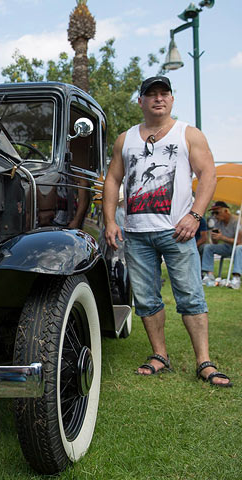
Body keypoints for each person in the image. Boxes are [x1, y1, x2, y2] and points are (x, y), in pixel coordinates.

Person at [103, 75, 231, 387]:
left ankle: (204, 362)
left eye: (164, 94)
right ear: (141, 102)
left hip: (178, 232)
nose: (158, 99)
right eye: (151, 95)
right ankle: (160, 355)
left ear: (171, 99)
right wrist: (109, 221)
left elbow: (208, 175)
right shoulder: (125, 139)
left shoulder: (189, 134)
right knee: (146, 299)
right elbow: (112, 180)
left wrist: (196, 215)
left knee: (191, 296)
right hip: (136, 233)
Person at [201, 201, 241, 288]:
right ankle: (209, 275)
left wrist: (222, 237)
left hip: (238, 249)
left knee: (239, 248)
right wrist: (214, 237)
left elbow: (239, 242)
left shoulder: (237, 221)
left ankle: (236, 278)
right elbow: (215, 243)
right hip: (227, 247)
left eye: (217, 212)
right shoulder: (218, 222)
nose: (215, 215)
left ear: (226, 211)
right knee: (208, 247)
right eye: (213, 213)